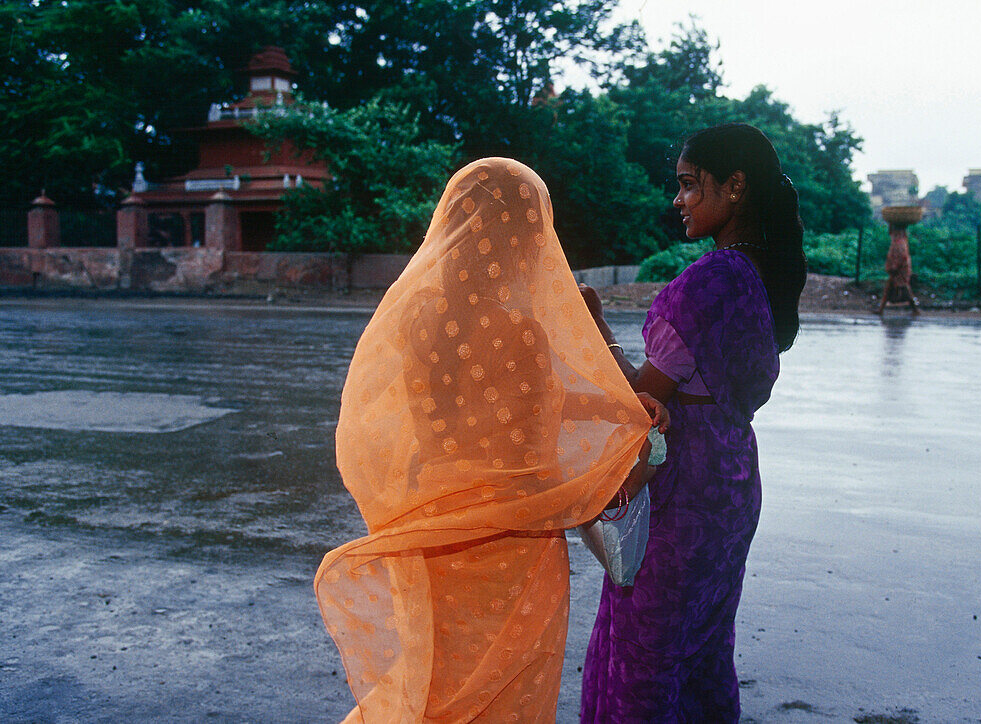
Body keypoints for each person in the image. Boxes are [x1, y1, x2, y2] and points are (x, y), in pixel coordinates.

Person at [314, 157, 667, 723]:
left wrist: (615, 405)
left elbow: (487, 404)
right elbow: (535, 448)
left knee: (438, 682)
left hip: (435, 522)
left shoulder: (420, 316)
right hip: (510, 545)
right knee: (504, 694)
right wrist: (607, 462)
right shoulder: (519, 328)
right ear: (522, 237)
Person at [579, 123, 807, 722]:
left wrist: (592, 333)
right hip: (731, 485)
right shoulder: (762, 279)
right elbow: (685, 389)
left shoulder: (711, 280)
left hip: (681, 494)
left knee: (643, 660)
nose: (676, 200)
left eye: (687, 185)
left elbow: (640, 400)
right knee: (702, 652)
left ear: (733, 188)